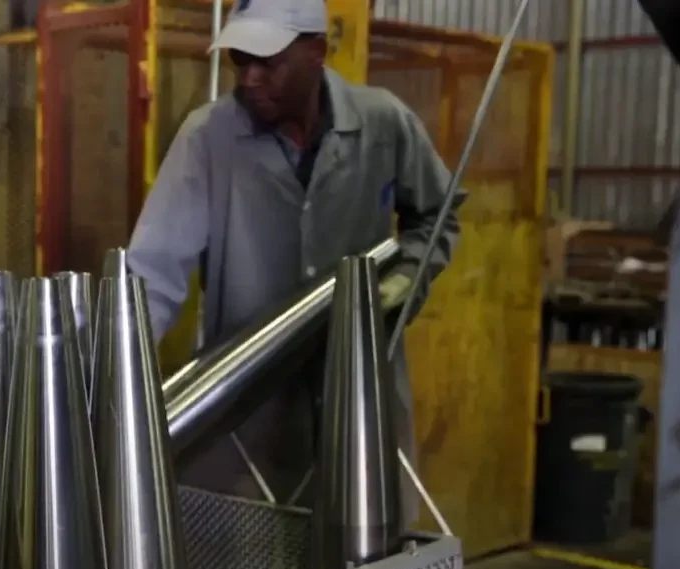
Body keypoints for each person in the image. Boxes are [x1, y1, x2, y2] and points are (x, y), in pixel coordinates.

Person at [126, 0, 464, 509]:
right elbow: (154, 273)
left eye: (268, 62)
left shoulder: (383, 123)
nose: (250, 79)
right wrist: (115, 370)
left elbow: (437, 214)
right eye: (240, 60)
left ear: (317, 51)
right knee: (251, 546)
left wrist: (408, 276)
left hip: (360, 402)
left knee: (365, 538)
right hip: (249, 420)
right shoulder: (208, 139)